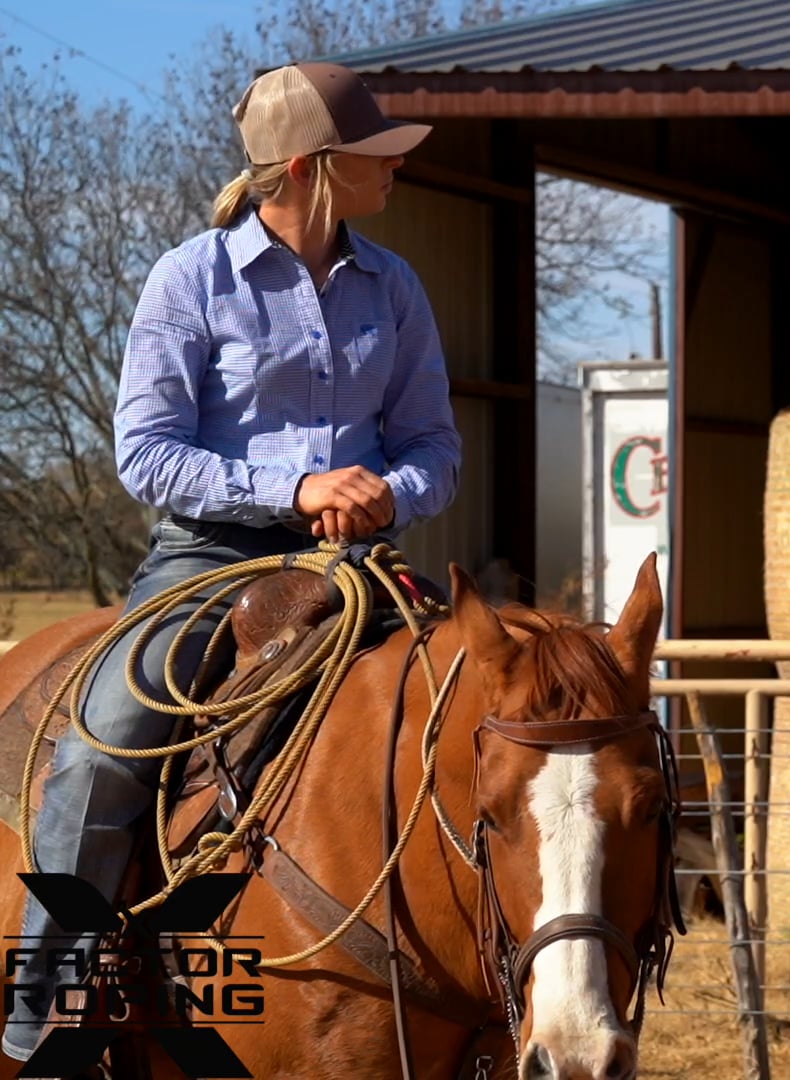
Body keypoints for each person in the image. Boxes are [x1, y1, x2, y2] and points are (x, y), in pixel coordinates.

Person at [3, 61, 461, 1061]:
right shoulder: (190, 280)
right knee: (101, 748)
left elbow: (435, 446)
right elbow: (146, 455)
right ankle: (47, 1012)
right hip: (209, 559)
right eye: (372, 155)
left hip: (359, 562)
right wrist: (295, 490)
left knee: (485, 706)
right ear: (307, 169)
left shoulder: (397, 285)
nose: (393, 170)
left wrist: (393, 493)